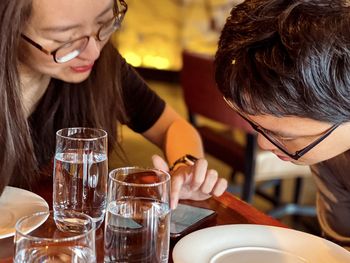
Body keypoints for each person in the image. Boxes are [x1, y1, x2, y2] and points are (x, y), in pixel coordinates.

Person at [0, 0, 227, 209]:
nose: (93, 52)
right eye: (64, 40)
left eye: (103, 23)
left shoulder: (103, 66)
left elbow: (170, 125)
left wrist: (184, 168)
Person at [215, 0, 350, 245]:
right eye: (259, 128)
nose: (264, 145)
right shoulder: (326, 144)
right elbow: (340, 242)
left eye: (284, 136)